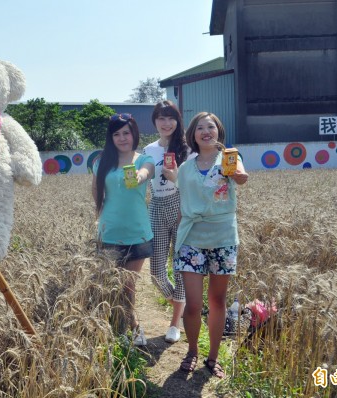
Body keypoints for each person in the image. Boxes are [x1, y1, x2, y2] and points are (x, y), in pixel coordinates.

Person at [173, 112, 248, 377]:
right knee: (193, 304)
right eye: (200, 128)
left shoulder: (229, 158)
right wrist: (177, 241)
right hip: (191, 238)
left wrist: (239, 174)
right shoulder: (184, 168)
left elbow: (240, 176)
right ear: (193, 135)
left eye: (211, 127)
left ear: (218, 131)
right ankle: (192, 350)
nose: (207, 131)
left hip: (223, 238)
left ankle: (213, 357)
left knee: (217, 301)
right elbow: (183, 206)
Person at [92, 113, 155, 346]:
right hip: (109, 231)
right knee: (110, 284)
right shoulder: (101, 161)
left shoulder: (144, 159)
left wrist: (138, 176)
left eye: (126, 133)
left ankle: (134, 326)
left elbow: (145, 173)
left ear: (134, 133)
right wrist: (98, 217)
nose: (122, 138)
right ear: (111, 137)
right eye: (116, 134)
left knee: (128, 284)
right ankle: (115, 329)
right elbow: (96, 191)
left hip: (137, 232)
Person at [142, 100, 189, 343]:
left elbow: (193, 183)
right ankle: (181, 304)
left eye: (171, 118)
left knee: (180, 268)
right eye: (161, 118)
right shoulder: (149, 150)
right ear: (155, 121)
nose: (166, 123)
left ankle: (175, 324)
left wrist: (177, 177)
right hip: (157, 207)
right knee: (157, 271)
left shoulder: (187, 148)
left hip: (181, 206)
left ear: (177, 120)